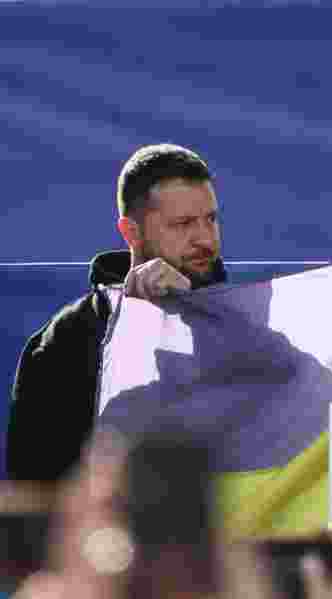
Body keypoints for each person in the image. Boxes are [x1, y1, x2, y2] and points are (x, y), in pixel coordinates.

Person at [6, 143, 227, 482]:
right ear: (131, 232)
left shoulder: (252, 325)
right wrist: (139, 329)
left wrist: (196, 318)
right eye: (183, 224)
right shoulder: (66, 342)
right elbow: (35, 498)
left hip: (238, 534)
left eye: (210, 219)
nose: (204, 238)